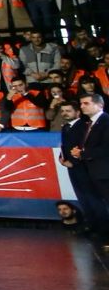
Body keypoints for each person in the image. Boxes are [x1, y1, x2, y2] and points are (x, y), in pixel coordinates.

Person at [59, 93, 109, 249]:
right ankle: (99, 231)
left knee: (100, 202)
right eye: (81, 104)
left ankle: (104, 233)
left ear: (99, 105)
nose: (82, 107)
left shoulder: (103, 121)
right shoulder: (90, 124)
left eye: (86, 103)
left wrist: (81, 155)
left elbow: (104, 147)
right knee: (89, 200)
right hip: (92, 169)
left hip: (100, 169)